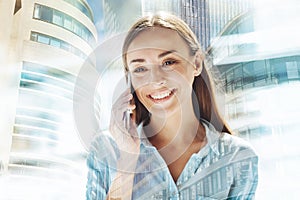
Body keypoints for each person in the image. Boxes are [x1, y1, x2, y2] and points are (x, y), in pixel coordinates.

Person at [86, 13, 258, 200]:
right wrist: (127, 163)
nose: (156, 79)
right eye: (140, 69)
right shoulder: (106, 151)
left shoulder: (237, 157)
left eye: (168, 62)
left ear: (196, 63)